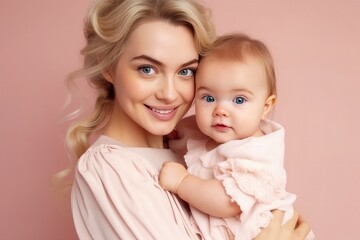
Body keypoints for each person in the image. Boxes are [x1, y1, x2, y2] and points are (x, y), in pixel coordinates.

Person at [60, 0, 312, 239]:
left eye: (185, 71)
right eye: (147, 69)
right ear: (109, 67)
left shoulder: (198, 149)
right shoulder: (109, 167)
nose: (169, 94)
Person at [159, 34, 314, 240]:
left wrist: (182, 182)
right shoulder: (211, 133)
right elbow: (190, 132)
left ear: (265, 106)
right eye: (209, 97)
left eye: (239, 100)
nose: (220, 110)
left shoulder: (256, 154)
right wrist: (173, 130)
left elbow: (227, 201)